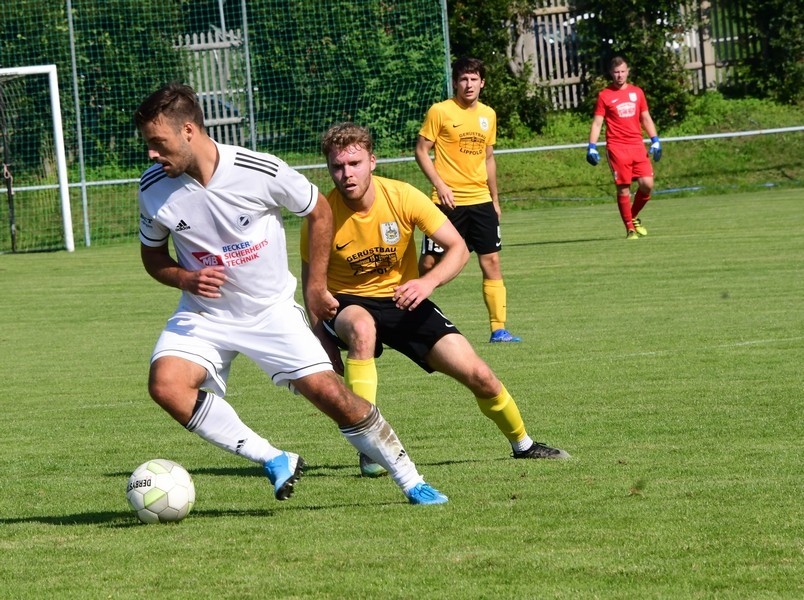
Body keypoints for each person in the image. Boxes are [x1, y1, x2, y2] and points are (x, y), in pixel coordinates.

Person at [134, 83, 447, 505]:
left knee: (330, 394)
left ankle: (411, 480)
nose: (152, 154)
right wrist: (183, 278)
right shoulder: (153, 188)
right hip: (204, 316)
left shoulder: (257, 169)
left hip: (270, 312)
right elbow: (152, 256)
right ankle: (274, 458)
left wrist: (316, 288)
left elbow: (318, 211)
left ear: (189, 130)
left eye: (158, 143)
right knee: (166, 386)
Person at [300, 122, 569, 478]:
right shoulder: (321, 216)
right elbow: (312, 288)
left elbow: (457, 247)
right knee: (362, 327)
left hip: (404, 298)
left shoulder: (404, 196)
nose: (346, 173)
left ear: (373, 162)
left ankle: (524, 445)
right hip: (348, 302)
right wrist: (324, 343)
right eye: (338, 166)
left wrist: (426, 283)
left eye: (355, 164)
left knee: (480, 375)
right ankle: (370, 448)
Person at [415, 57, 520, 344]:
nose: (468, 84)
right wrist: (440, 184)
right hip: (447, 203)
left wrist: (495, 199)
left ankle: (498, 329)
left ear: (482, 82)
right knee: (428, 264)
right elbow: (421, 151)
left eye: (474, 79)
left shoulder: (489, 115)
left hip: (481, 201)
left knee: (493, 262)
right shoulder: (440, 111)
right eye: (463, 79)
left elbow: (488, 158)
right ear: (456, 82)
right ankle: (403, 313)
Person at [586, 56, 662, 240]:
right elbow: (597, 123)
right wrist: (592, 147)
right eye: (616, 72)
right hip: (617, 147)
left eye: (622, 71)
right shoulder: (605, 95)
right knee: (624, 189)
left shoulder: (637, 93)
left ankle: (632, 216)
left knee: (647, 184)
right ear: (611, 74)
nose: (620, 75)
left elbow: (645, 117)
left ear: (628, 71)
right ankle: (629, 228)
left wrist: (655, 140)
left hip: (637, 145)